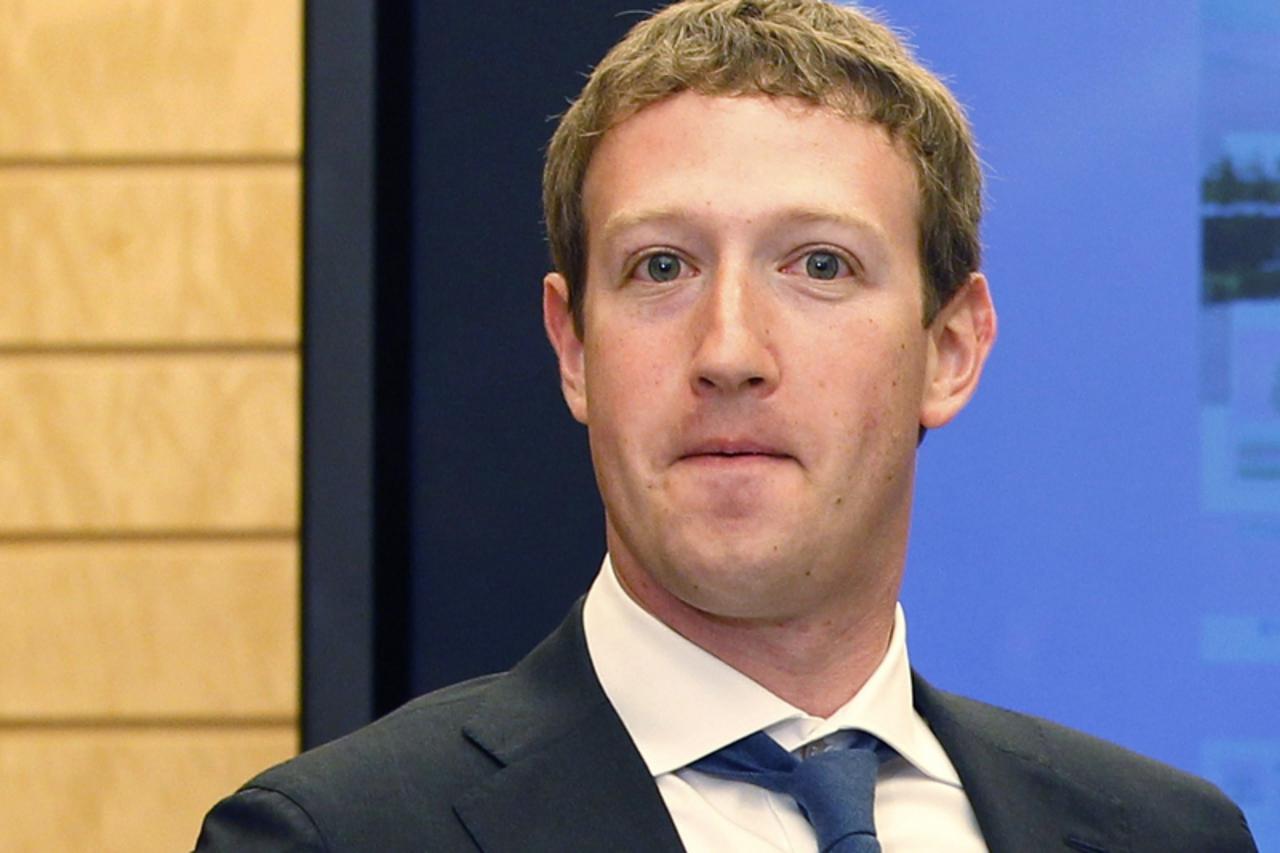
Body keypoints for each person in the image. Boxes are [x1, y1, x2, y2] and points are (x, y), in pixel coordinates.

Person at [195, 1, 1258, 850]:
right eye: (661, 267)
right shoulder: (340, 836)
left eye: (818, 266)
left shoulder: (1165, 833)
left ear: (949, 349)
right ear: (572, 349)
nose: (729, 350)